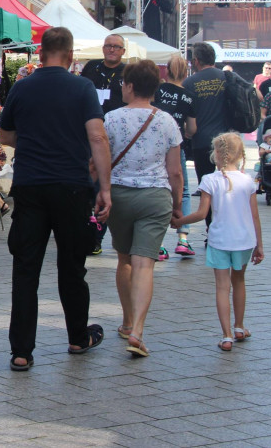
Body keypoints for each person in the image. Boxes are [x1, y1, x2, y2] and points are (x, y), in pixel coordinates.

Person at [0, 27, 112, 370]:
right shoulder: (82, 87)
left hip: (31, 186)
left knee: (25, 269)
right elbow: (98, 136)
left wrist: (36, 143)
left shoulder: (22, 87)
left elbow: (5, 135)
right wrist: (105, 188)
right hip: (72, 187)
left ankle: (21, 351)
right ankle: (78, 337)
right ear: (70, 54)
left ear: (41, 52)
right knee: (72, 267)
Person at [104, 60, 184, 357]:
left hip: (120, 196)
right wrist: (177, 206)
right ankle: (137, 329)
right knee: (144, 263)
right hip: (155, 197)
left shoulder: (111, 119)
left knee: (124, 259)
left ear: (130, 86)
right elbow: (175, 171)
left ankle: (125, 321)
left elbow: (100, 160)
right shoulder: (167, 122)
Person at [172, 132, 264, 351]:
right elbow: (255, 216)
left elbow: (202, 214)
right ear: (241, 154)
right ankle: (240, 326)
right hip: (244, 240)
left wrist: (179, 221)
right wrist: (259, 245)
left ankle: (226, 335)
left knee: (222, 287)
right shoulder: (248, 181)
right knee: (239, 281)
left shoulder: (209, 181)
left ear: (216, 154)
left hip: (219, 240)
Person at [81, 33, 127, 254]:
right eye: (108, 46)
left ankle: (96, 236)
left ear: (123, 51)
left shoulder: (127, 73)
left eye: (116, 47)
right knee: (86, 180)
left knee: (103, 185)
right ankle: (82, 228)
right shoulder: (91, 67)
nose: (111, 50)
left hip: (113, 136)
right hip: (87, 133)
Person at [153, 53, 198, 256]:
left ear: (168, 71)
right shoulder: (190, 96)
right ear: (186, 73)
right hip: (176, 147)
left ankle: (158, 243)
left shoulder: (158, 91)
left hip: (155, 148)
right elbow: (192, 128)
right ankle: (183, 239)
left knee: (159, 190)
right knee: (184, 190)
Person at [183, 42, 229, 230]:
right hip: (227, 143)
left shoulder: (189, 83)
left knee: (207, 188)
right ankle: (227, 227)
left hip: (201, 142)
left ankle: (212, 229)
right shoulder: (227, 78)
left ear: (196, 61)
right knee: (227, 188)